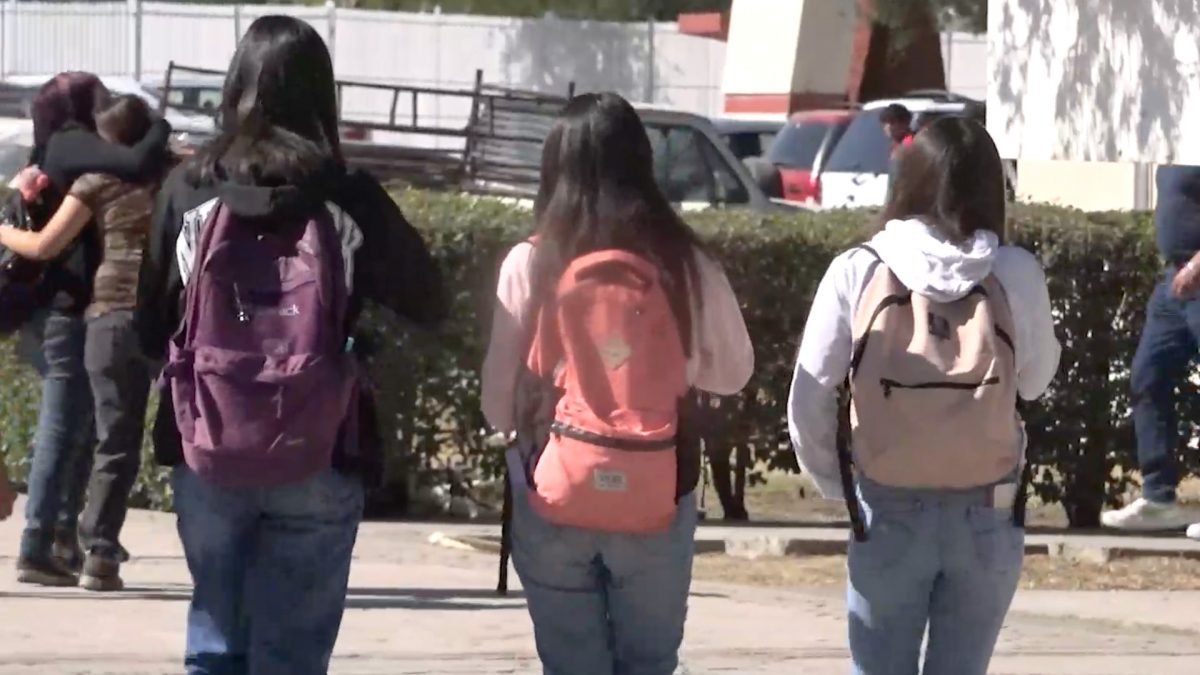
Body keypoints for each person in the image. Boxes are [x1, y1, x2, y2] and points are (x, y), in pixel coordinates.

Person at [135, 16, 444, 674]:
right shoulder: (347, 194)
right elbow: (430, 300)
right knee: (294, 654)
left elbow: (148, 325)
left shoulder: (189, 187)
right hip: (320, 444)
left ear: (235, 85)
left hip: (208, 443)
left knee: (216, 634)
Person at [481, 92, 754, 675]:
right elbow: (734, 372)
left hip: (554, 488)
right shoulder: (685, 263)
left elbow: (496, 402)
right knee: (649, 662)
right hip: (659, 486)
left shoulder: (530, 263)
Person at [788, 116, 1059, 675]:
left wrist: (837, 485)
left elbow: (809, 394)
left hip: (887, 501)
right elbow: (1034, 383)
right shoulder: (1014, 271)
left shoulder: (859, 269)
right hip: (987, 507)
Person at [0, 95, 168, 591]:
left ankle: (65, 542)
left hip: (105, 315)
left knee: (77, 428)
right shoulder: (170, 180)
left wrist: (3, 228)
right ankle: (97, 548)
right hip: (156, 317)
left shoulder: (95, 183)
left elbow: (43, 245)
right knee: (119, 439)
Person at [1102, 165, 1200, 539]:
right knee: (1147, 377)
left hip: (1194, 273)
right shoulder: (1175, 140)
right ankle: (1159, 499)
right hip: (1173, 285)